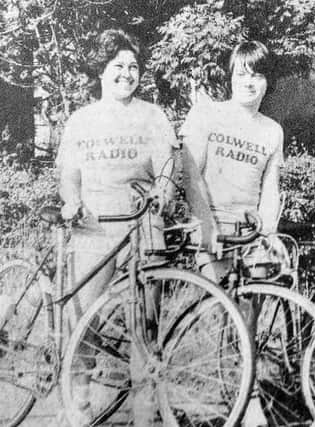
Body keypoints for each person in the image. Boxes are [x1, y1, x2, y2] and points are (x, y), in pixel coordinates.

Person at [56, 28, 177, 426]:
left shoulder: (153, 115)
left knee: (145, 325)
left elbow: (167, 168)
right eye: (117, 66)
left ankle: (145, 414)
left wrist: (162, 190)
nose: (126, 73)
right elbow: (69, 175)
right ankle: (80, 409)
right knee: (84, 323)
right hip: (93, 229)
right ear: (101, 72)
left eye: (133, 66)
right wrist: (72, 202)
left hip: (142, 229)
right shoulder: (81, 120)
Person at [180, 40, 284, 427]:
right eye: (242, 73)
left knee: (249, 321)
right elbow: (191, 175)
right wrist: (206, 224)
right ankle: (221, 400)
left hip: (250, 232)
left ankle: (248, 398)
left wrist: (269, 233)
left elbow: (270, 189)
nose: (250, 82)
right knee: (220, 316)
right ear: (231, 76)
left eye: (257, 74)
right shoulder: (208, 115)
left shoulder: (272, 130)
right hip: (212, 227)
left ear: (266, 82)